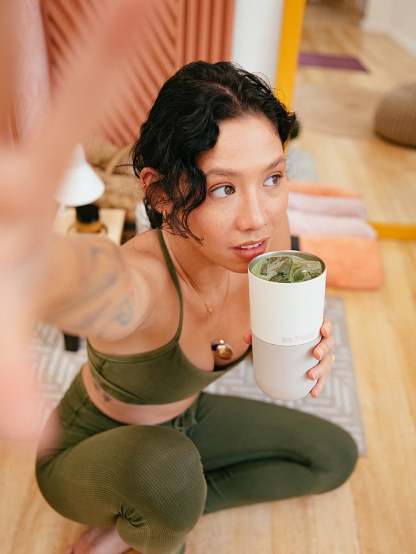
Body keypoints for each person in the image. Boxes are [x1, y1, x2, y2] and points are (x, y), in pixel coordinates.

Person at [31, 58, 359, 554]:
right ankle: (154, 522)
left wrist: (307, 342)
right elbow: (84, 283)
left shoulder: (267, 236)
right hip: (91, 452)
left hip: (186, 423)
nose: (258, 217)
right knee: (170, 475)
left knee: (332, 456)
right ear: (161, 192)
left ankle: (152, 515)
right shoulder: (139, 282)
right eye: (225, 188)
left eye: (272, 177)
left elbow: (273, 323)